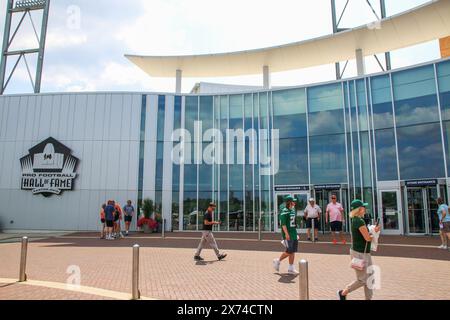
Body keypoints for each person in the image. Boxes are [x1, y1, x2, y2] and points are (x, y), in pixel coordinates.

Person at [337, 200, 381, 301]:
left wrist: (372, 230)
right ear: (359, 209)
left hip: (362, 252)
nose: (365, 209)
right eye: (363, 207)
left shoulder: (357, 220)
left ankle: (368, 298)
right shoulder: (359, 221)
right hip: (360, 253)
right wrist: (374, 231)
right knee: (362, 280)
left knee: (369, 277)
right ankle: (343, 293)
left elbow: (365, 234)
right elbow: (368, 238)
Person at [273, 196, 299, 275]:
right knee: (289, 251)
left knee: (293, 251)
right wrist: (286, 234)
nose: (294, 203)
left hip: (293, 233)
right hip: (288, 235)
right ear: (289, 202)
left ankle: (291, 268)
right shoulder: (284, 211)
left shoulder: (292, 210)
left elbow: (293, 224)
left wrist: (296, 233)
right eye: (293, 201)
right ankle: (277, 260)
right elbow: (283, 224)